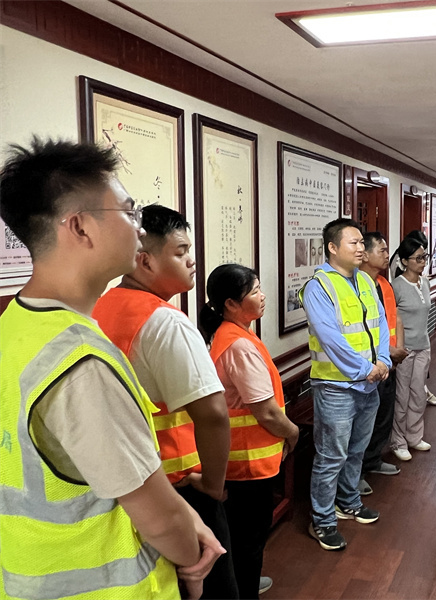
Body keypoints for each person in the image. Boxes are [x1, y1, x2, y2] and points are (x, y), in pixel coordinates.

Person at [0, 138, 223, 599]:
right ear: (80, 227)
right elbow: (157, 517)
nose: (139, 228)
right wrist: (192, 559)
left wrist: (185, 516)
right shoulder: (79, 361)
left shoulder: (15, 326)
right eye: (128, 211)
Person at [93, 204, 238, 600]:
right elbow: (213, 414)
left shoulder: (100, 307)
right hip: (180, 486)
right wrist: (213, 486)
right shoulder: (167, 322)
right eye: (180, 251)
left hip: (125, 486)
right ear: (145, 260)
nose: (192, 260)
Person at [199, 264, 300, 597]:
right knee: (249, 540)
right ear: (231, 303)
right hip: (247, 465)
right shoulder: (238, 345)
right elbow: (266, 411)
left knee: (242, 536)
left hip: (242, 461)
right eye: (255, 291)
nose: (263, 296)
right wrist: (293, 433)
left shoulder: (234, 334)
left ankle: (243, 584)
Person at [299, 218, 390, 551]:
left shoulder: (365, 280)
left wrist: (384, 360)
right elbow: (330, 338)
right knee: (331, 456)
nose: (361, 248)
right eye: (354, 242)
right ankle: (323, 520)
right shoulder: (318, 287)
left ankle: (348, 501)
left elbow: (380, 323)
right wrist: (366, 369)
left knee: (357, 450)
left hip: (369, 383)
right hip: (336, 387)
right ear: (332, 248)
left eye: (362, 242)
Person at [357, 231, 409, 496]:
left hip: (388, 362)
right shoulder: (357, 285)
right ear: (365, 255)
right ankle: (357, 473)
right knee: (363, 422)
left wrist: (396, 352)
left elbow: (395, 318)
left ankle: (373, 460)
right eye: (382, 250)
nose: (388, 255)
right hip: (368, 366)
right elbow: (362, 330)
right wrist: (387, 354)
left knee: (384, 415)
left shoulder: (384, 284)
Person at [391, 234, 433, 461]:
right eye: (418, 258)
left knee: (419, 394)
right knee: (402, 396)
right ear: (405, 261)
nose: (423, 262)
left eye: (424, 257)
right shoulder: (396, 286)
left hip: (423, 346)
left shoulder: (425, 283)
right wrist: (396, 348)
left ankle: (414, 436)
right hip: (404, 350)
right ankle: (398, 441)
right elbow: (391, 320)